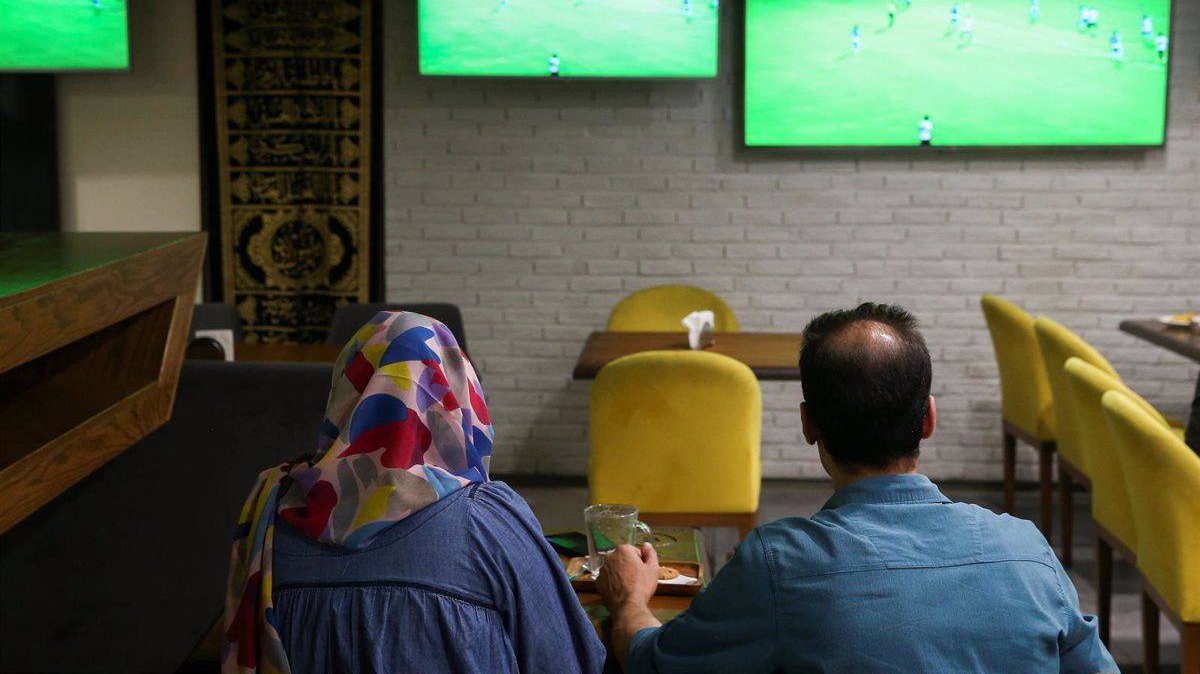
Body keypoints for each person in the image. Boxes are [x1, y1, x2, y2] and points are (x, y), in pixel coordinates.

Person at [598, 303, 1117, 674]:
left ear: (808, 426)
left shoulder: (775, 564)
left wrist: (630, 603)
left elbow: (653, 660)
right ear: (929, 418)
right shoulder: (1028, 550)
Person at [221, 312, 603, 674]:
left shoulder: (269, 515)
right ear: (458, 397)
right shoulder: (486, 524)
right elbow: (570, 660)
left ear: (344, 398)